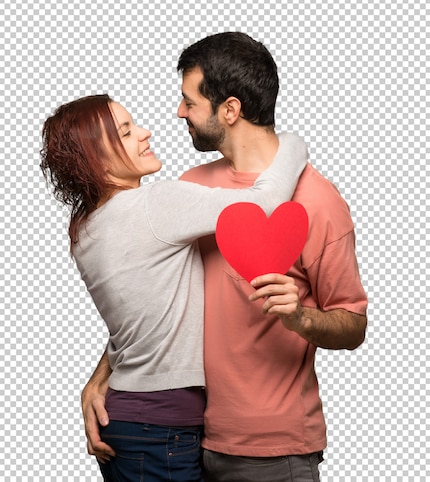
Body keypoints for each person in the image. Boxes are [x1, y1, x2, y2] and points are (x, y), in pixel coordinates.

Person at [81, 33, 368, 482]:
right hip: (188, 437)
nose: (178, 112)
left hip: (270, 452)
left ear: (229, 110)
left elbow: (353, 323)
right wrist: (105, 373)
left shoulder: (319, 201)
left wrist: (302, 319)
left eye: (188, 101)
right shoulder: (191, 186)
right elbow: (155, 302)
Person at [40, 93, 308, 481]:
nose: (145, 133)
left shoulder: (85, 230)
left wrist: (98, 380)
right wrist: (294, 143)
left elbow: (138, 321)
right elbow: (262, 205)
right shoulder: (155, 204)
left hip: (130, 421)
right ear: (96, 155)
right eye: (127, 131)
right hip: (159, 428)